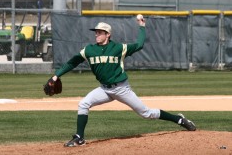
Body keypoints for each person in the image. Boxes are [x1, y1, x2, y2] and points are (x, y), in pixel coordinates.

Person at [50, 17, 196, 147]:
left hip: (121, 89)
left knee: (146, 113)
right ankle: (79, 138)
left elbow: (139, 45)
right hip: (104, 89)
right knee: (83, 104)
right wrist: (56, 76)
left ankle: (179, 119)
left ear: (108, 35)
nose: (97, 34)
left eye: (100, 32)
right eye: (96, 32)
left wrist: (142, 26)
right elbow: (72, 63)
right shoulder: (89, 50)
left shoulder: (118, 48)